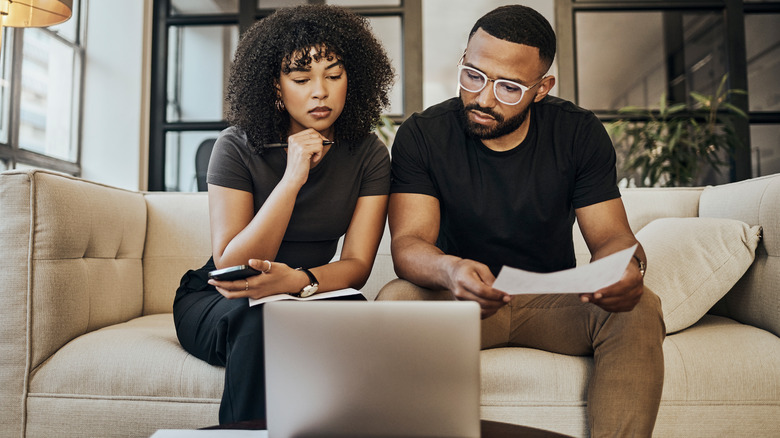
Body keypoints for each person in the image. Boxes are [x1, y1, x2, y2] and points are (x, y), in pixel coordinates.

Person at [378, 5, 665, 437]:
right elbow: (410, 243)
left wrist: (628, 267)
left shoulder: (578, 133)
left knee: (641, 305)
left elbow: (611, 237)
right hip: (460, 301)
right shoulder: (423, 134)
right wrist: (451, 270)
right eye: (473, 76)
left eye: (509, 88)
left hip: (552, 302)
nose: (483, 98)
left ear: (542, 87)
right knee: (396, 299)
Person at [173, 5, 394, 425]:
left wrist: (300, 281)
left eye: (333, 75)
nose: (320, 92)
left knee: (360, 319)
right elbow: (233, 263)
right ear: (275, 86)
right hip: (225, 297)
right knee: (266, 322)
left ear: (354, 78)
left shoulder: (367, 153)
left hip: (306, 290)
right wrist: (292, 178)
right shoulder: (235, 146)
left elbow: (358, 265)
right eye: (300, 79)